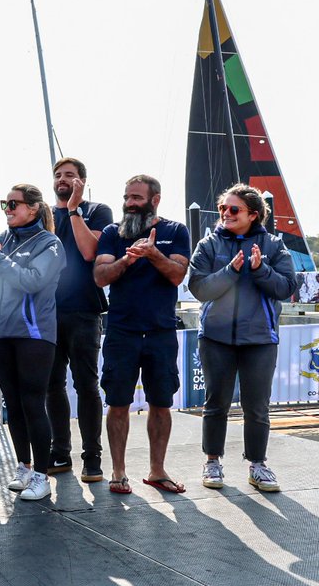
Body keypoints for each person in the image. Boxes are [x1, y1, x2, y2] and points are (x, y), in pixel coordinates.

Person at [188, 184, 297, 492]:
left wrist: (261, 269)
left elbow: (286, 287)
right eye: (223, 208)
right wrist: (231, 271)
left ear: (253, 214)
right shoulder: (208, 244)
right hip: (216, 338)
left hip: (260, 339)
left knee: (257, 406)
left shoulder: (274, 246)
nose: (226, 214)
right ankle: (212, 461)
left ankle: (258, 465)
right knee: (216, 403)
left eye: (233, 210)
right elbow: (199, 288)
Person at [93, 175, 191, 495]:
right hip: (122, 332)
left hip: (161, 332)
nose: (130, 203)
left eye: (136, 197)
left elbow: (177, 275)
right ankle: (118, 471)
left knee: (161, 403)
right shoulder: (111, 233)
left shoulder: (175, 231)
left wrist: (153, 254)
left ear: (155, 200)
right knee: (117, 403)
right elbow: (100, 277)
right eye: (127, 197)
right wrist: (128, 258)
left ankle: (157, 470)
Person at [0, 185, 65, 501]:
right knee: (12, 404)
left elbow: (31, 281)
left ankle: (42, 475)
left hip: (33, 336)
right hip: (0, 335)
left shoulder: (49, 244)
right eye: (5, 203)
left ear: (33, 208)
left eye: (13, 203)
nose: (7, 208)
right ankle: (24, 467)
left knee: (32, 402)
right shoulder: (7, 238)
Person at [46, 158, 113, 483]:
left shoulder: (99, 211)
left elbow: (90, 252)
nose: (63, 179)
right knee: (51, 386)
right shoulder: (43, 213)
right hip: (46, 313)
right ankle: (60, 453)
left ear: (82, 181)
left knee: (86, 385)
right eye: (58, 175)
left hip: (85, 311)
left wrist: (73, 210)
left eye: (70, 175)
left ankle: (92, 458)